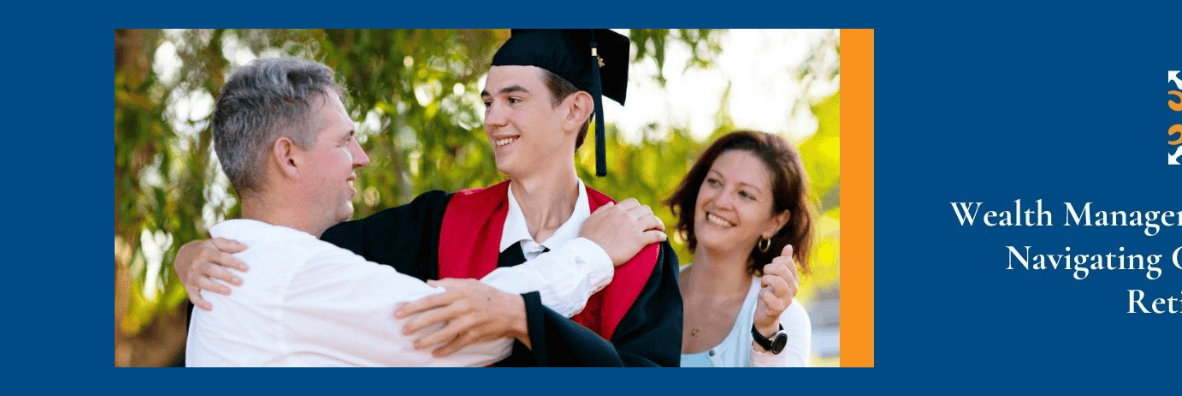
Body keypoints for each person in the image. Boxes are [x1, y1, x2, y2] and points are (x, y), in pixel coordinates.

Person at [176, 30, 683, 367]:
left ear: (574, 111)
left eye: (513, 99)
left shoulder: (639, 249)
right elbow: (286, 241)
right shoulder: (438, 222)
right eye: (488, 101)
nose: (492, 119)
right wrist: (196, 252)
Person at [189, 57, 537, 366]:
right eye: (343, 141)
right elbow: (469, 334)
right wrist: (587, 254)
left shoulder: (230, 269)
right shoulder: (296, 272)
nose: (362, 157)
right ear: (289, 157)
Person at [666, 130, 814, 367]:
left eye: (745, 194)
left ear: (775, 222)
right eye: (714, 182)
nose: (721, 201)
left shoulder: (785, 321)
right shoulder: (646, 289)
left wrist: (766, 333)